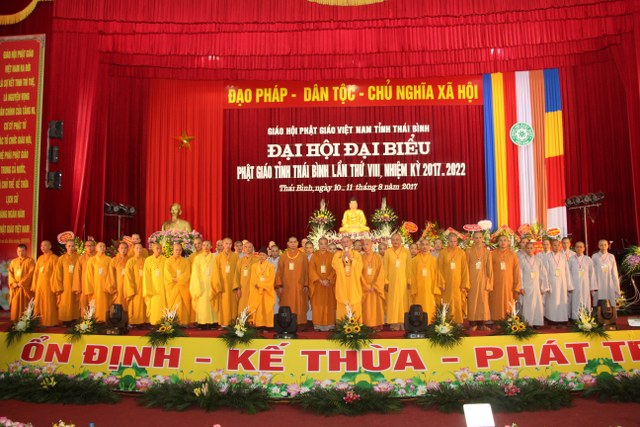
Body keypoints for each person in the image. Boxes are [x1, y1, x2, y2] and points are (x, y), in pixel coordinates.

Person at [275, 236, 309, 327]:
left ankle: (300, 323)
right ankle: (287, 323)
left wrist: (306, 284)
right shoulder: (283, 256)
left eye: (295, 242)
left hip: (299, 286)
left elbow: (307, 271)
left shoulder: (303, 256)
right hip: (287, 287)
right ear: (288, 243)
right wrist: (279, 285)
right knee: (287, 304)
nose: (293, 244)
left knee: (300, 304)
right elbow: (279, 271)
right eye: (291, 242)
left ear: (298, 243)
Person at [437, 234, 469, 324]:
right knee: (447, 302)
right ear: (447, 241)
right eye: (451, 241)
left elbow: (464, 269)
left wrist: (464, 284)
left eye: (454, 241)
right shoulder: (443, 253)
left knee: (457, 302)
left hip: (458, 283)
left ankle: (458, 322)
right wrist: (441, 283)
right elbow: (439, 269)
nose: (452, 243)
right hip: (446, 284)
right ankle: (447, 322)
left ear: (457, 242)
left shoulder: (461, 253)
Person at [409, 240, 443, 325]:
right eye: (422, 245)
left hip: (430, 288)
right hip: (418, 289)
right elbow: (412, 275)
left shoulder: (433, 260)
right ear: (419, 246)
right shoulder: (415, 260)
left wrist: (435, 288)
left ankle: (430, 323)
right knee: (419, 307)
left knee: (430, 306)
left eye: (426, 245)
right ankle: (419, 324)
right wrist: (414, 289)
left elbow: (437, 275)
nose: (424, 247)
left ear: (429, 246)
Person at [490, 235, 521, 321]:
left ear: (508, 242)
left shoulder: (513, 254)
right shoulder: (492, 254)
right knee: (497, 303)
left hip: (509, 284)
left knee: (508, 303)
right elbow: (489, 271)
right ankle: (496, 321)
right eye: (500, 240)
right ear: (497, 242)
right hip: (496, 284)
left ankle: (508, 322)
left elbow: (516, 271)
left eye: (504, 240)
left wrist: (517, 286)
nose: (503, 242)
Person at [383, 233, 411, 330]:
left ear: (401, 240)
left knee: (403, 301)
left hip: (403, 281)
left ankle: (403, 322)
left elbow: (409, 267)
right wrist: (385, 281)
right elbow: (385, 268)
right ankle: (394, 322)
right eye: (393, 239)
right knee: (393, 301)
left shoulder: (406, 251)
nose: (395, 241)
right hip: (392, 281)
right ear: (391, 241)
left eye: (397, 239)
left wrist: (409, 280)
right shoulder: (388, 252)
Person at [465, 232, 493, 330]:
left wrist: (489, 283)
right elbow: (465, 268)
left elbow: (489, 269)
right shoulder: (468, 251)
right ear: (473, 239)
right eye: (476, 238)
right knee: (472, 301)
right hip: (471, 280)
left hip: (483, 280)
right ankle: (473, 324)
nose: (478, 240)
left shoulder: (487, 251)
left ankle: (482, 324)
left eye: (480, 238)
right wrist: (466, 282)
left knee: (483, 301)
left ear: (483, 239)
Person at [543, 239, 574, 326]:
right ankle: (552, 320)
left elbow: (567, 271)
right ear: (551, 246)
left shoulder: (563, 256)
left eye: (558, 245)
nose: (556, 247)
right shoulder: (547, 257)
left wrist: (569, 285)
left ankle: (562, 320)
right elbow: (545, 272)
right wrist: (546, 285)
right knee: (552, 301)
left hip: (562, 282)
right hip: (552, 282)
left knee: (562, 300)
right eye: (554, 245)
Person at [332, 235, 364, 320]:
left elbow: (360, 266)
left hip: (353, 283)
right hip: (342, 282)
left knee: (354, 302)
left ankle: (356, 324)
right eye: (343, 242)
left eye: (347, 242)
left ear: (351, 243)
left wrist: (352, 259)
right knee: (342, 302)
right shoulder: (338, 254)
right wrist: (341, 260)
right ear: (341, 244)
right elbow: (334, 266)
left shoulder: (356, 254)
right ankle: (342, 325)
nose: (345, 244)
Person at [308, 237, 336, 331]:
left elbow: (334, 269)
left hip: (329, 285)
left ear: (327, 245)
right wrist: (319, 280)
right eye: (321, 244)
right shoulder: (314, 256)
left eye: (325, 244)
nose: (323, 246)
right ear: (318, 245)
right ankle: (318, 325)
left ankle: (330, 324)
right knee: (318, 305)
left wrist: (328, 279)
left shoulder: (332, 256)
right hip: (318, 285)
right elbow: (311, 270)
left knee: (329, 305)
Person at [518, 241, 549, 327]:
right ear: (525, 249)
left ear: (534, 249)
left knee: (537, 305)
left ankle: (537, 322)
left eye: (531, 248)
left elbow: (543, 274)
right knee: (527, 306)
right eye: (528, 248)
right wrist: (521, 287)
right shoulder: (522, 260)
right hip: (526, 286)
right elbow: (520, 274)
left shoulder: (538, 260)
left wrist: (543, 287)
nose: (529, 250)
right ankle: (528, 323)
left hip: (536, 287)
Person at [189, 240, 217, 329]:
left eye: (208, 245)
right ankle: (202, 322)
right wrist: (197, 285)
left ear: (211, 246)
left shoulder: (215, 257)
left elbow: (217, 271)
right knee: (202, 303)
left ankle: (213, 322)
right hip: (201, 285)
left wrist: (216, 283)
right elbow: (195, 273)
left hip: (212, 283)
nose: (205, 247)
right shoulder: (197, 258)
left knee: (212, 302)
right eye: (204, 245)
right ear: (202, 246)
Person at [84, 242, 115, 323]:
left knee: (106, 304)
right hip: (95, 287)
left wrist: (110, 286)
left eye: (104, 246)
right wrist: (89, 289)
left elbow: (111, 274)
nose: (102, 248)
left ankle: (106, 320)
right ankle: (96, 321)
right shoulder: (92, 260)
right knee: (95, 304)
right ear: (96, 248)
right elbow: (89, 276)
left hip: (106, 287)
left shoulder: (109, 260)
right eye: (100, 246)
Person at [360, 238, 385, 330]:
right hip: (365, 287)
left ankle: (376, 324)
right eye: (364, 245)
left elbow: (381, 272)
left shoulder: (378, 257)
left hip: (375, 287)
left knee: (376, 306)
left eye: (367, 244)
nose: (365, 246)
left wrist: (375, 285)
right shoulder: (360, 257)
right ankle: (366, 324)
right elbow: (359, 273)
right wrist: (366, 285)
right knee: (366, 307)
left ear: (371, 245)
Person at [248, 247, 276, 328]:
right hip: (257, 291)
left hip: (266, 291)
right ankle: (258, 324)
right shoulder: (254, 266)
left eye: (263, 255)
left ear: (267, 256)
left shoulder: (270, 266)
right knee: (258, 307)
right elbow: (253, 278)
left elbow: (271, 278)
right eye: (260, 255)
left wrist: (262, 286)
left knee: (266, 307)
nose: (261, 256)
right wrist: (257, 285)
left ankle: (267, 325)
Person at [33, 240, 59, 326]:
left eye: (45, 245)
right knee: (39, 302)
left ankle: (50, 321)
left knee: (49, 303)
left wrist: (54, 285)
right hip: (40, 284)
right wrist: (35, 285)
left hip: (49, 285)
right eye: (41, 246)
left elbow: (56, 273)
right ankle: (39, 321)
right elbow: (36, 273)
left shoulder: (54, 258)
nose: (42, 247)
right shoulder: (40, 258)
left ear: (50, 246)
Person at [164, 243, 192, 325]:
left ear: (182, 251)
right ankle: (173, 322)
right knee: (173, 303)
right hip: (172, 286)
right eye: (176, 250)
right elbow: (166, 273)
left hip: (182, 286)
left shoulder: (186, 261)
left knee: (182, 304)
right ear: (172, 250)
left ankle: (183, 322)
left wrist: (179, 279)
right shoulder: (168, 261)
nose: (178, 252)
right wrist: (173, 279)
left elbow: (187, 273)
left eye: (179, 250)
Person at [568, 241, 597, 319]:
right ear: (575, 248)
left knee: (585, 300)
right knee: (575, 300)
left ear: (584, 248)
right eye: (577, 247)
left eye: (581, 247)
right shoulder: (571, 259)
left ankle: (586, 318)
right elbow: (568, 273)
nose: (579, 248)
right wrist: (569, 285)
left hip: (585, 284)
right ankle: (575, 318)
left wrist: (592, 287)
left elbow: (592, 273)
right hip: (574, 284)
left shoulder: (588, 259)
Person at [55, 239, 81, 324]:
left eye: (73, 246)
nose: (71, 248)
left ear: (75, 247)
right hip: (65, 284)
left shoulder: (79, 257)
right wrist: (59, 285)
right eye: (69, 246)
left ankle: (75, 319)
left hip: (76, 283)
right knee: (65, 302)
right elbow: (58, 273)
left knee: (75, 302)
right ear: (66, 246)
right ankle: (66, 320)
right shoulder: (61, 259)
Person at [215, 237, 240, 326]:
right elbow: (216, 272)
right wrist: (218, 284)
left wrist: (237, 285)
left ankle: (233, 322)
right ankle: (224, 323)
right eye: (226, 244)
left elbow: (238, 271)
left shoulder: (235, 256)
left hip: (233, 284)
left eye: (230, 244)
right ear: (223, 244)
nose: (228, 246)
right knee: (224, 304)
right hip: (223, 284)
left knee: (233, 304)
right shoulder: (218, 257)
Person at [8, 244, 35, 322]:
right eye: (19, 251)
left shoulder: (30, 261)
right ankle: (15, 321)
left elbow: (31, 273)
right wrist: (13, 283)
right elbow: (10, 273)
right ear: (17, 251)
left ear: (26, 251)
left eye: (22, 251)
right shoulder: (13, 262)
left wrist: (22, 282)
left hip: (25, 288)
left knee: (25, 305)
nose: (20, 253)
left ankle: (25, 322)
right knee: (15, 304)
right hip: (15, 287)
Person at [143, 242, 167, 325]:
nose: (158, 250)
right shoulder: (148, 260)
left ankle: (163, 321)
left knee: (162, 304)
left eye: (160, 248)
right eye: (157, 248)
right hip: (152, 287)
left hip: (162, 287)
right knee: (154, 305)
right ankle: (153, 322)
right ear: (153, 249)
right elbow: (146, 275)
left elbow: (167, 274)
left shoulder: (165, 260)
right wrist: (147, 288)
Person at [124, 242, 148, 326]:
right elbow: (128, 276)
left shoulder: (146, 261)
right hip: (135, 287)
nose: (139, 250)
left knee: (144, 304)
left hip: (145, 286)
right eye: (137, 248)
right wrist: (131, 288)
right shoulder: (130, 261)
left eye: (140, 248)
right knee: (135, 304)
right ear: (133, 250)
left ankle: (145, 321)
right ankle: (135, 322)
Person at [591, 239, 620, 308]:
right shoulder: (595, 256)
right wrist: (593, 284)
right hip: (598, 282)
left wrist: (616, 284)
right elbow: (592, 271)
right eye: (601, 245)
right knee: (598, 301)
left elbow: (614, 271)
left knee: (611, 300)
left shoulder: (611, 256)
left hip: (609, 281)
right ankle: (598, 313)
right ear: (598, 246)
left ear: (607, 246)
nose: (603, 247)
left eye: (605, 245)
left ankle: (612, 312)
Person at [237, 241, 258, 313]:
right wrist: (238, 288)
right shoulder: (240, 260)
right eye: (246, 247)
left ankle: (253, 319)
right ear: (243, 249)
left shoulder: (257, 260)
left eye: (249, 247)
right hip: (243, 287)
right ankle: (242, 319)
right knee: (242, 304)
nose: (248, 249)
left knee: (253, 304)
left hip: (253, 286)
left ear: (252, 248)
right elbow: (237, 274)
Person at [108, 242, 129, 314]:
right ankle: (117, 317)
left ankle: (128, 318)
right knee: (118, 300)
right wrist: (113, 285)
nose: (123, 250)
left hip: (128, 284)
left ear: (128, 249)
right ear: (118, 249)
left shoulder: (130, 260)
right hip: (118, 284)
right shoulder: (114, 260)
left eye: (125, 248)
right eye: (121, 248)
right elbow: (111, 274)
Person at [78, 239, 97, 316]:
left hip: (95, 283)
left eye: (91, 245)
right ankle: (84, 320)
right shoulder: (81, 258)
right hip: (84, 284)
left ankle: (95, 319)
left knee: (95, 301)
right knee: (84, 301)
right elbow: (77, 273)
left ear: (95, 247)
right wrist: (78, 287)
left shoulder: (97, 257)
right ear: (85, 247)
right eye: (87, 246)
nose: (89, 247)